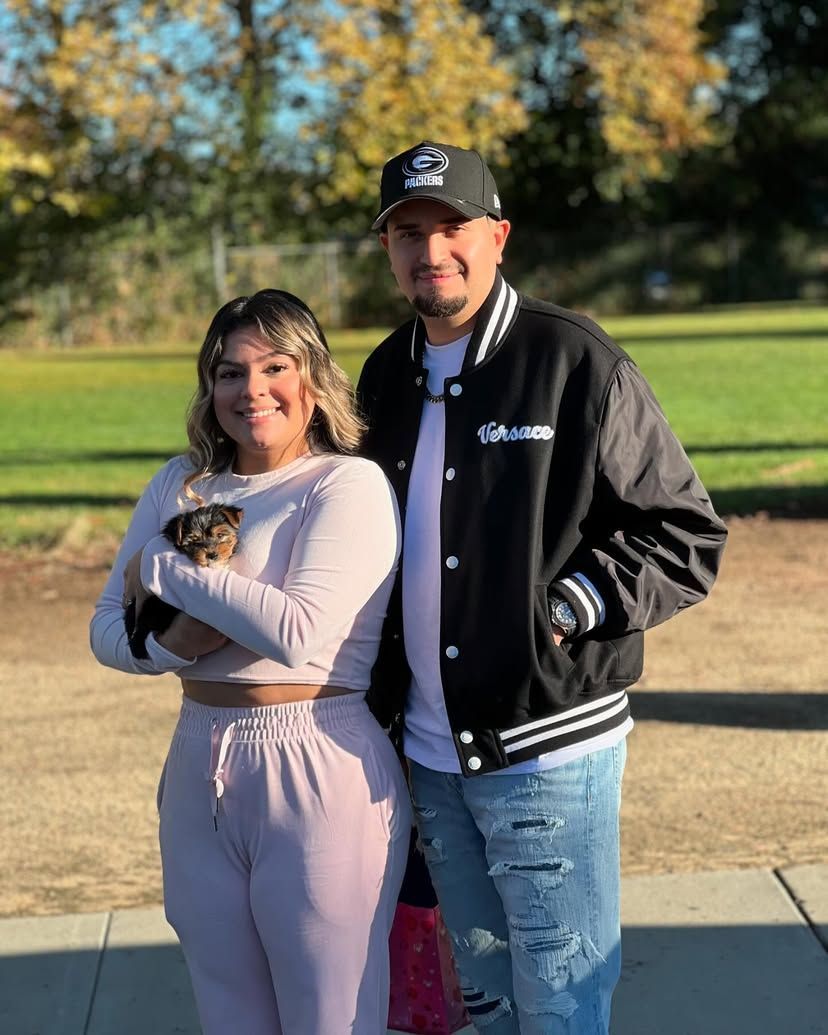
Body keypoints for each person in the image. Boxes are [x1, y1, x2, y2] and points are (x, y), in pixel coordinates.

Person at [357, 142, 728, 1034]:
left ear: (498, 236)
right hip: (432, 761)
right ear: (387, 250)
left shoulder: (574, 360)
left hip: (547, 754)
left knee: (560, 1006)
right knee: (487, 1005)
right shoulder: (380, 377)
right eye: (409, 231)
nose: (431, 249)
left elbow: (686, 534)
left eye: (452, 226)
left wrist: (566, 608)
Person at [90, 289, 412, 1035]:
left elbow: (297, 630)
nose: (252, 390)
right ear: (209, 386)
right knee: (228, 1013)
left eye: (276, 366)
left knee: (330, 1018)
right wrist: (179, 643)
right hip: (198, 756)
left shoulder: (345, 485)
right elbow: (108, 630)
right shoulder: (181, 483)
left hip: (318, 759)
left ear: (314, 377)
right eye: (230, 372)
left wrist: (163, 571)